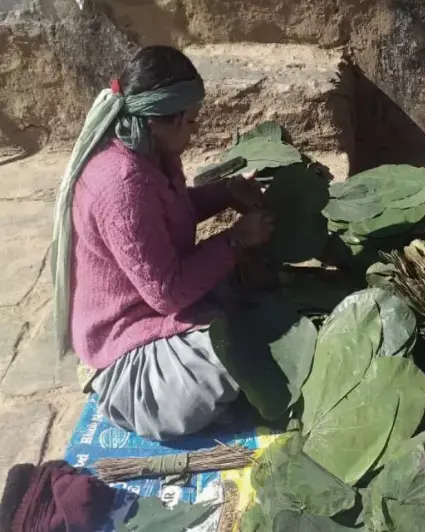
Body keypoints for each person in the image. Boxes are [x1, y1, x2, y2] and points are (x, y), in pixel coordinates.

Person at [51, 46, 275, 440]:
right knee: (228, 355)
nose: (194, 131)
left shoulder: (152, 154)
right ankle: (118, 391)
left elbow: (176, 208)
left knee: (245, 304)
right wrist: (237, 239)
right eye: (189, 122)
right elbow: (167, 293)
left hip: (153, 304)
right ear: (158, 122)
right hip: (125, 343)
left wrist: (227, 193)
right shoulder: (123, 187)